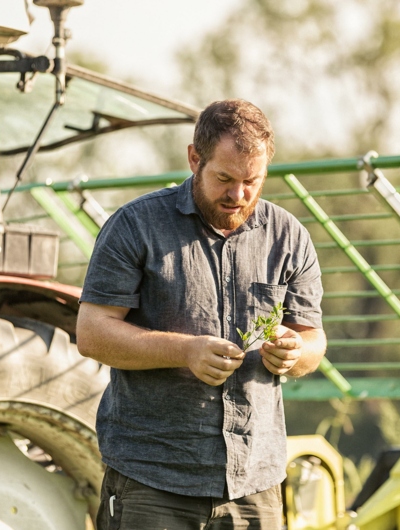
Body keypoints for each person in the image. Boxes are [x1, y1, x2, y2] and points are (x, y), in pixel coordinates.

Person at [76, 98, 326, 529]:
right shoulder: (135, 226)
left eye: (253, 181)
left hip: (254, 486)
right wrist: (186, 351)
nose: (239, 194)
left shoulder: (289, 237)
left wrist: (294, 352)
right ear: (194, 158)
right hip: (152, 479)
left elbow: (312, 338)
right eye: (225, 178)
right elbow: (92, 333)